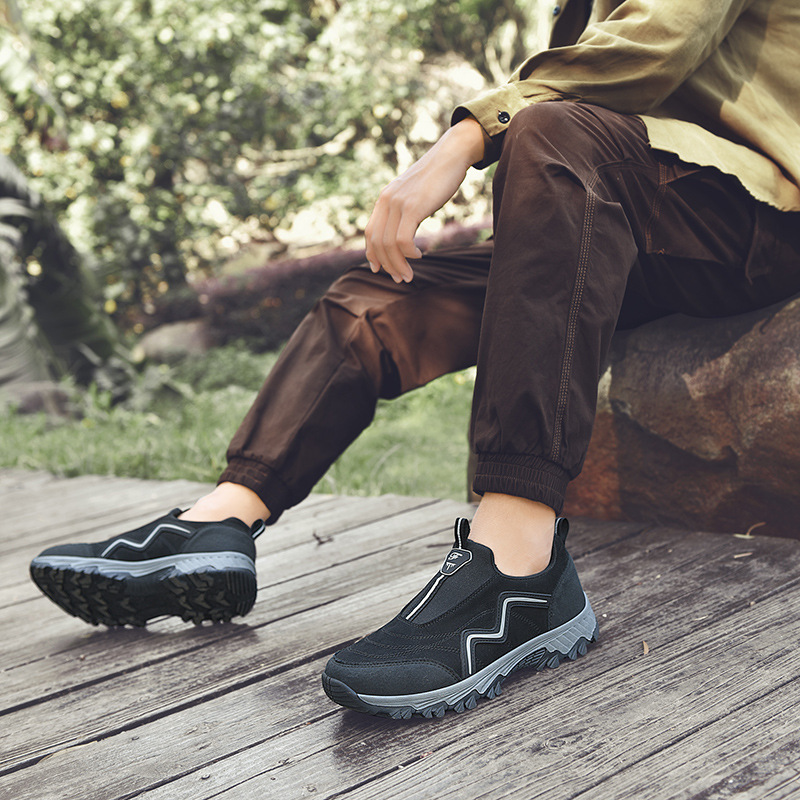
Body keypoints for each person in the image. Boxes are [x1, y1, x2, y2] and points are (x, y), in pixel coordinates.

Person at [29, 0, 800, 719]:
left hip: (757, 211)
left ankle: (520, 569)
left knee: (552, 131)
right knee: (373, 301)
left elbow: (658, 42)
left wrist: (467, 137)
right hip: (635, 208)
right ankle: (224, 518)